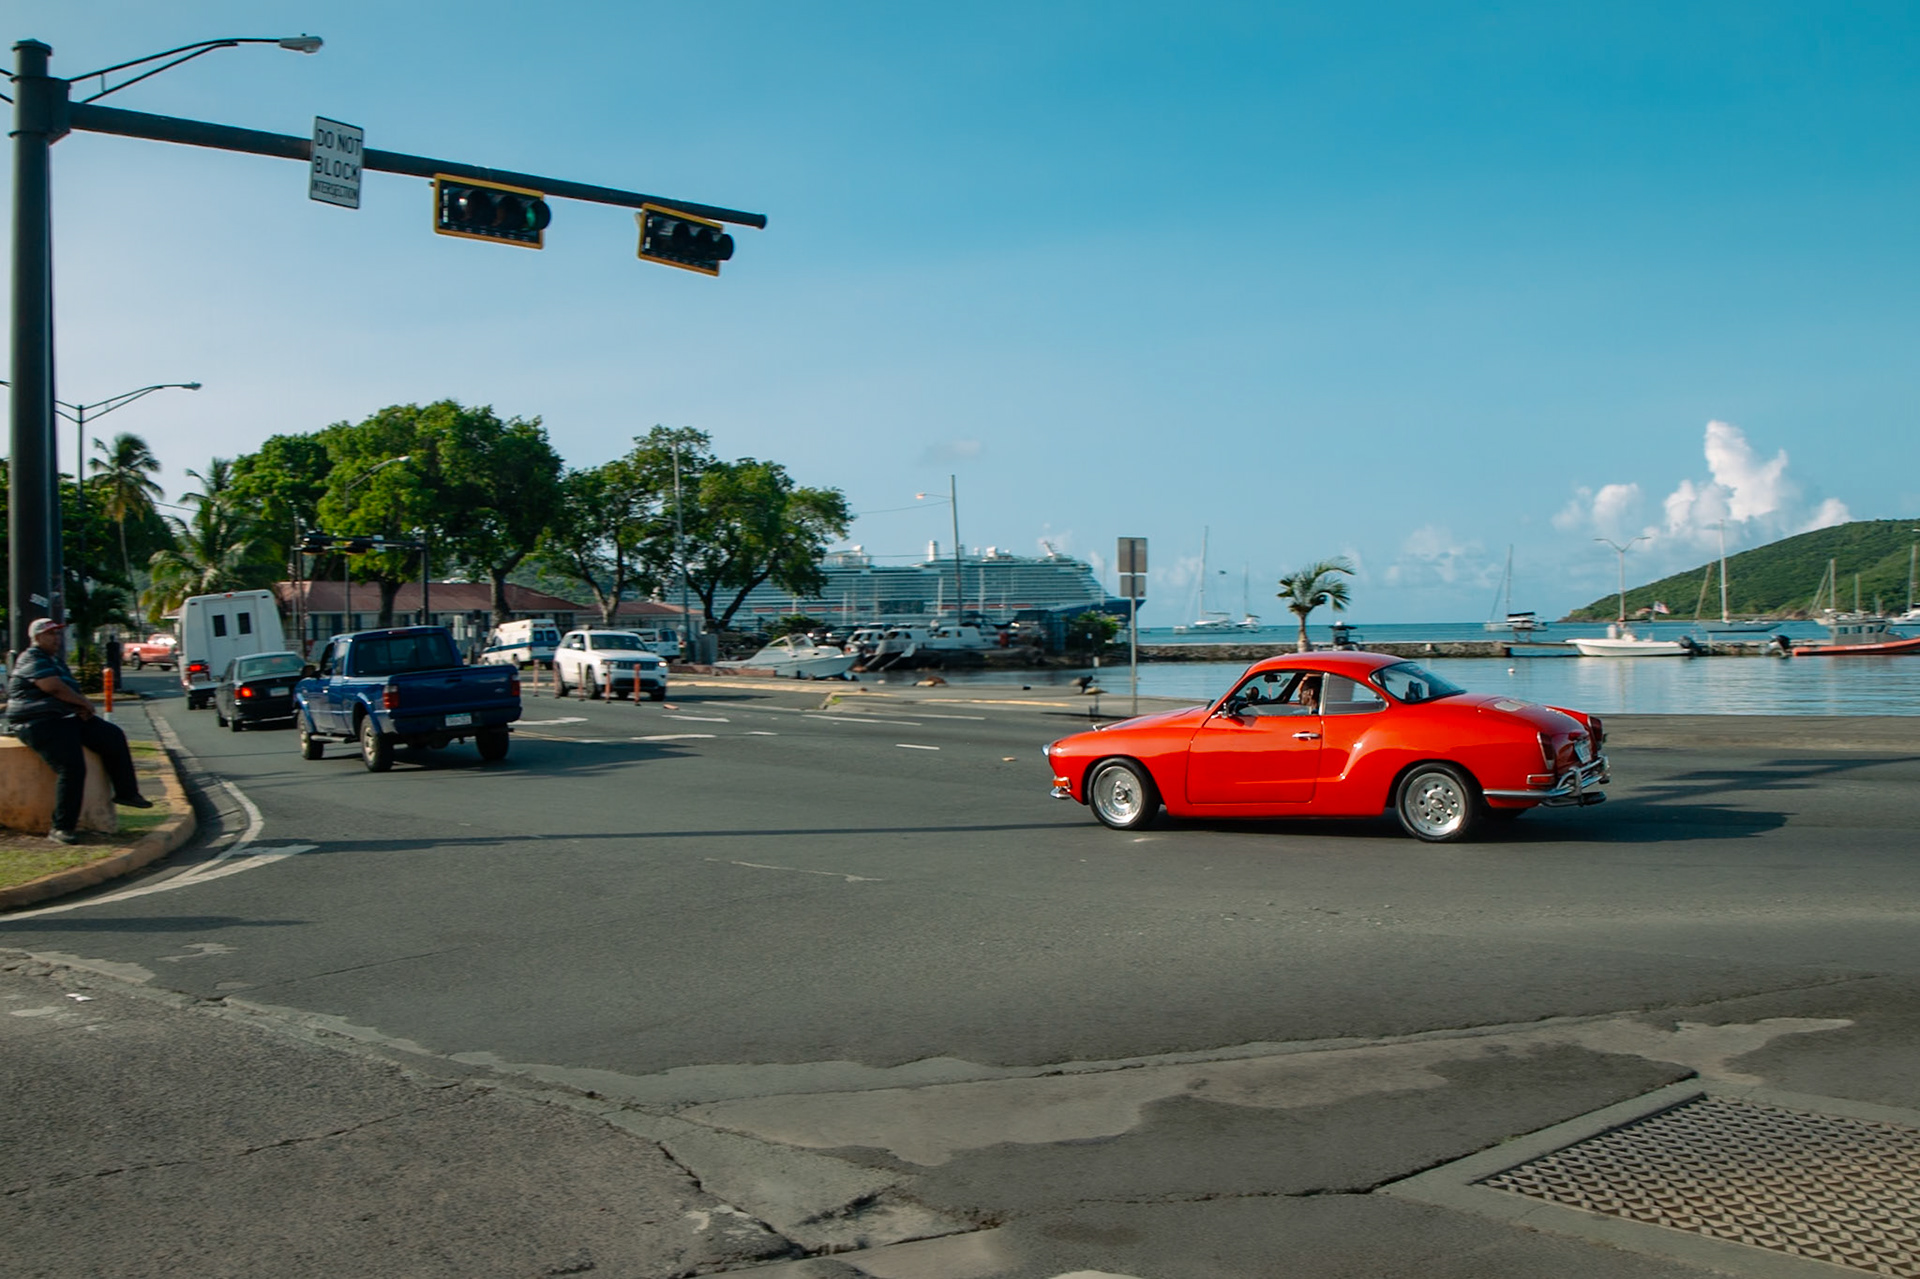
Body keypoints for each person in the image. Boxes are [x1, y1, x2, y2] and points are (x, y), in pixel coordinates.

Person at [8, 618, 152, 844]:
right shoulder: (31, 658)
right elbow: (53, 687)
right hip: (37, 722)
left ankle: (127, 793)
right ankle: (61, 827)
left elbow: (69, 689)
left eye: (58, 634)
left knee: (112, 735)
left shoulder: (55, 661)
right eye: (50, 635)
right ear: (36, 638)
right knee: (71, 767)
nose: (56, 639)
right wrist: (83, 704)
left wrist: (80, 707)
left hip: (65, 717)